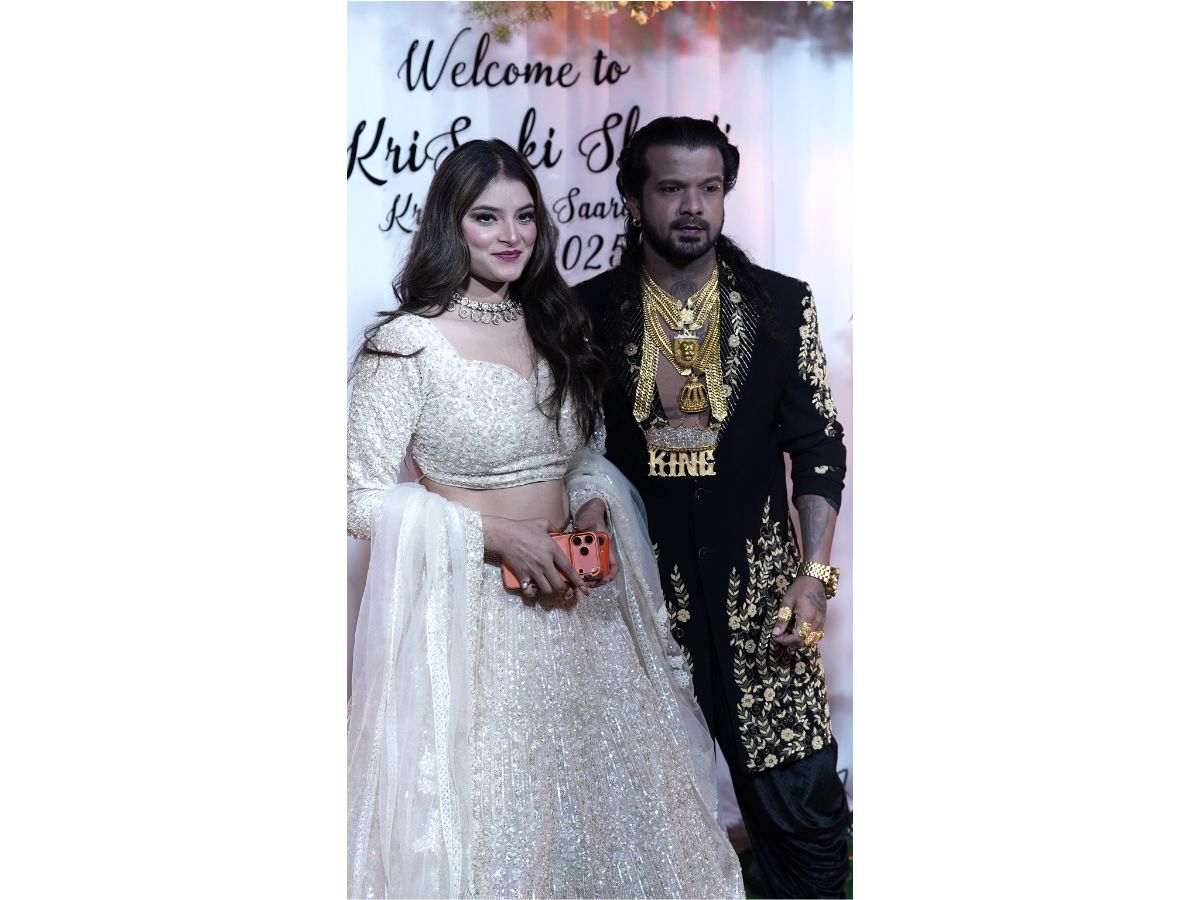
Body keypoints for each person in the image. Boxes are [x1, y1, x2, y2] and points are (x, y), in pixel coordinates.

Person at [345, 138, 744, 899]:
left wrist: (592, 501)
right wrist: (494, 535)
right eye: (487, 217)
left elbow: (581, 451)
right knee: (501, 830)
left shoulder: (555, 324)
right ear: (450, 225)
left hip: (581, 609)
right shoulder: (407, 346)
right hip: (477, 628)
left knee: (607, 825)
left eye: (525, 216)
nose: (511, 235)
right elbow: (357, 498)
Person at [574, 117, 852, 898]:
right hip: (639, 609)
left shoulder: (782, 307)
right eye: (671, 188)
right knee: (644, 822)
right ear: (634, 199)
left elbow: (818, 446)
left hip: (763, 606)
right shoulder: (586, 313)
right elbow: (573, 451)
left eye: (709, 188)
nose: (693, 206)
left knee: (806, 821)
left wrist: (814, 576)